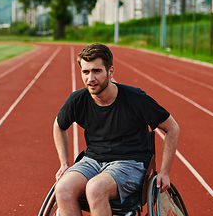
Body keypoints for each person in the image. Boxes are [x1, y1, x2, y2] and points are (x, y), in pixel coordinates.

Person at [53, 43, 180, 216]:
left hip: (130, 163)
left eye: (97, 71)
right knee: (62, 188)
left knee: (95, 188)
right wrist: (64, 163)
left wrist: (165, 172)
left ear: (110, 72)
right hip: (92, 161)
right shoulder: (78, 100)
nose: (90, 78)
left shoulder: (135, 99)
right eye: (85, 72)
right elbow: (59, 125)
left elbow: (172, 128)